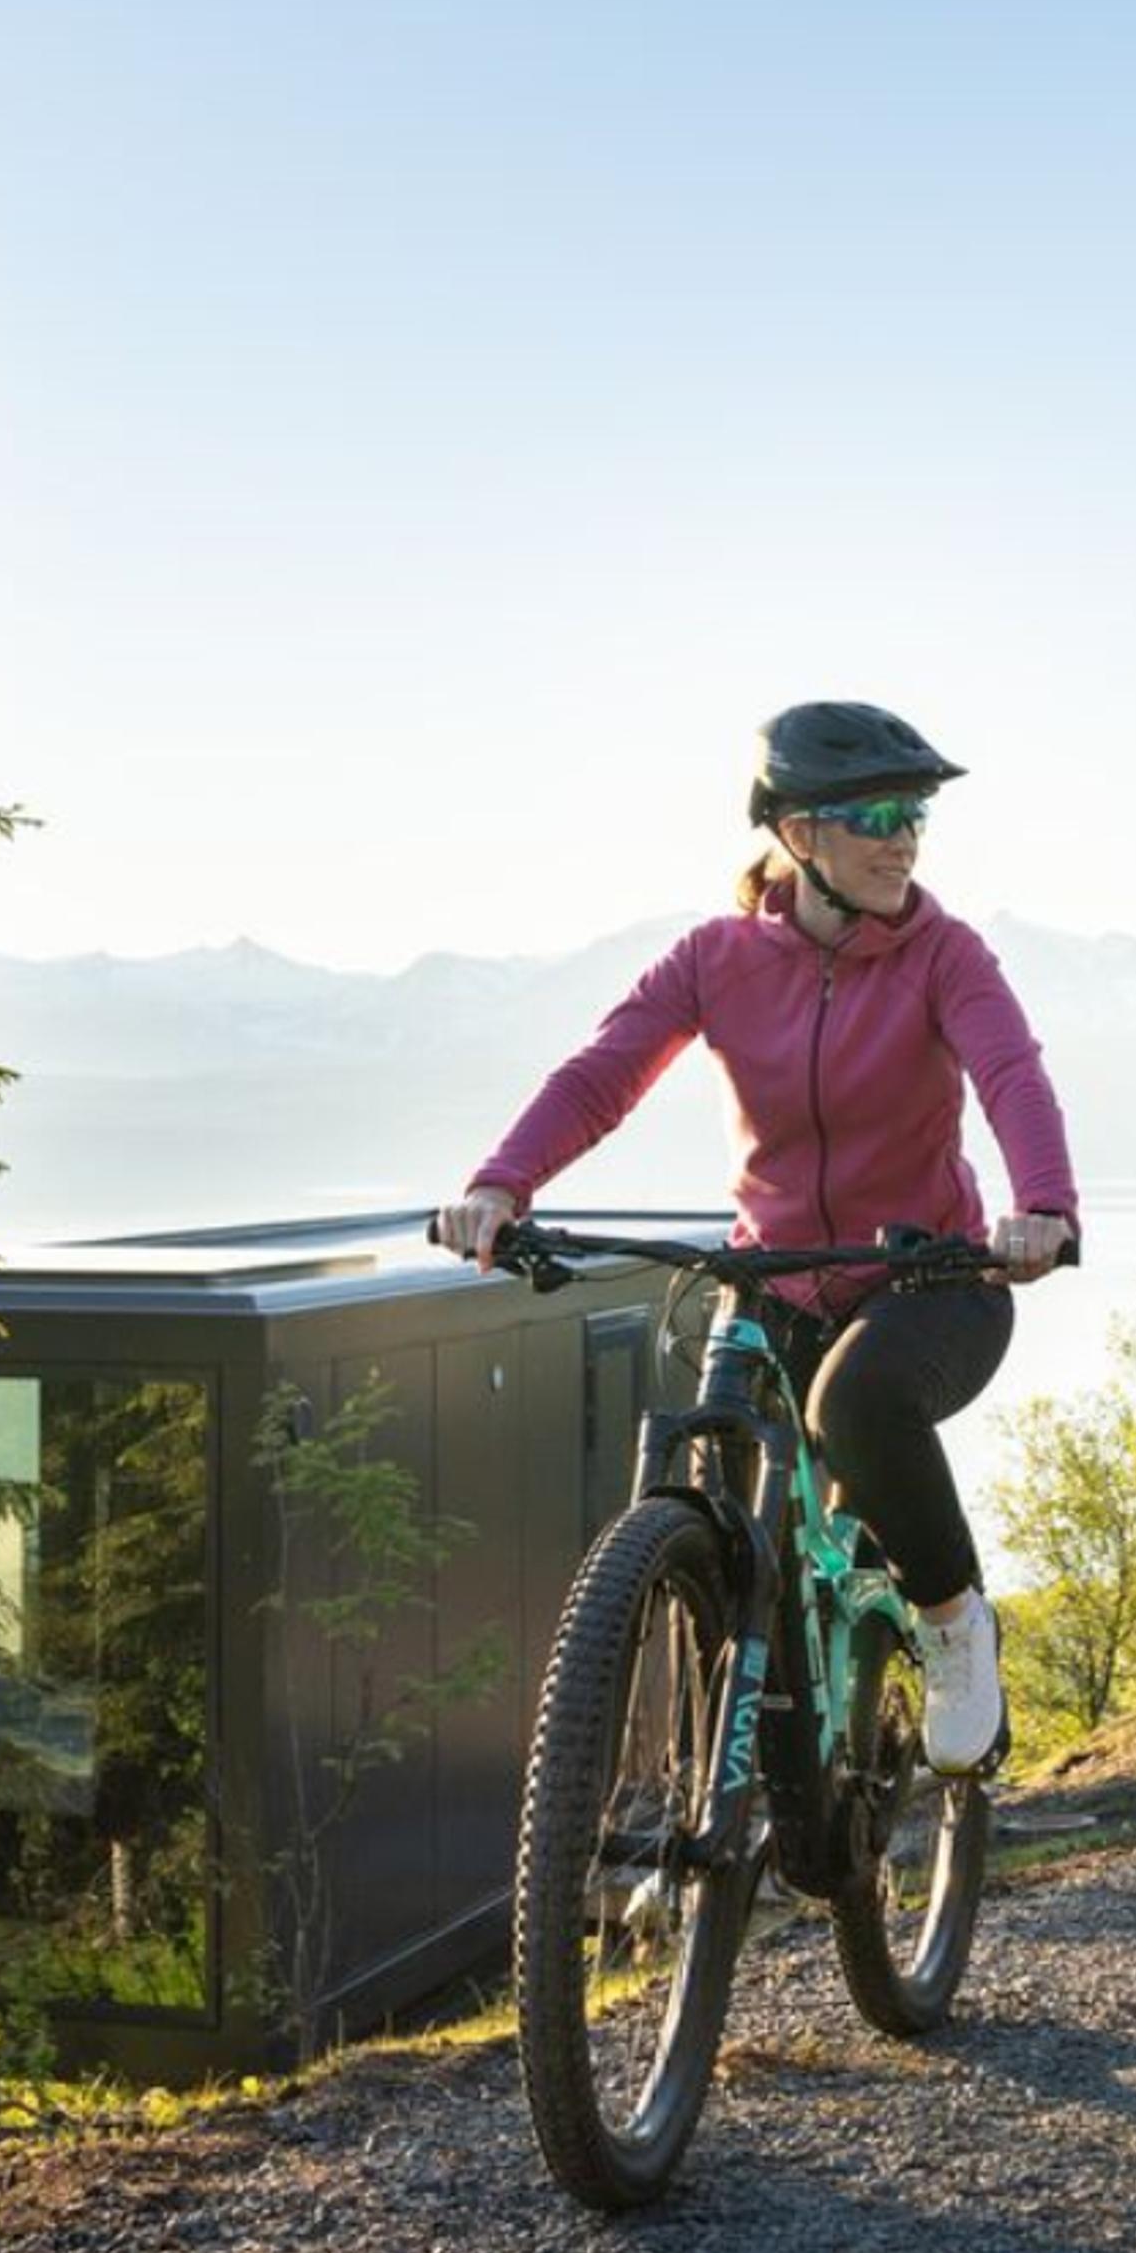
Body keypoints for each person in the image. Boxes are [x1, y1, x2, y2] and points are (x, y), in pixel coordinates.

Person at [435, 699, 1079, 1773]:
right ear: (794, 832)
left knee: (857, 1406)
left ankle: (954, 1621)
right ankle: (724, 1787)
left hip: (930, 1278)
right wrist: (501, 1186)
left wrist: (1043, 1208)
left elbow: (1012, 1074)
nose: (902, 838)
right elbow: (603, 1073)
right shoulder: (714, 958)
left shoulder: (945, 956)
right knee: (726, 1480)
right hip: (775, 1275)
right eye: (873, 813)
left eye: (913, 813)